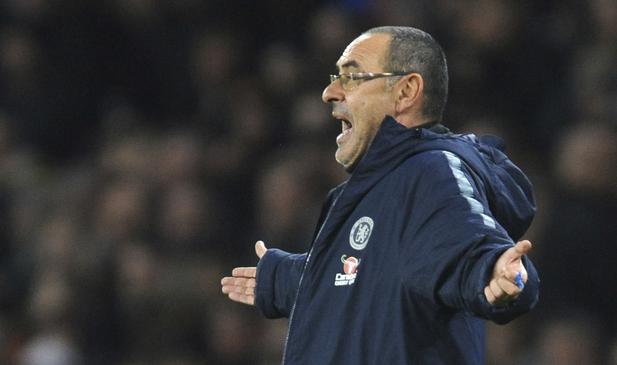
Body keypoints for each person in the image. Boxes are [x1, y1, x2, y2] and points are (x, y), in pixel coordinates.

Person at [221, 26, 539, 364]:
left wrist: (494, 271)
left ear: (406, 91)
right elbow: (373, 277)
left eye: (352, 77)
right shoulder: (371, 190)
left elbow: (468, 247)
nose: (330, 92)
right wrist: (291, 280)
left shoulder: (430, 172)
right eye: (335, 77)